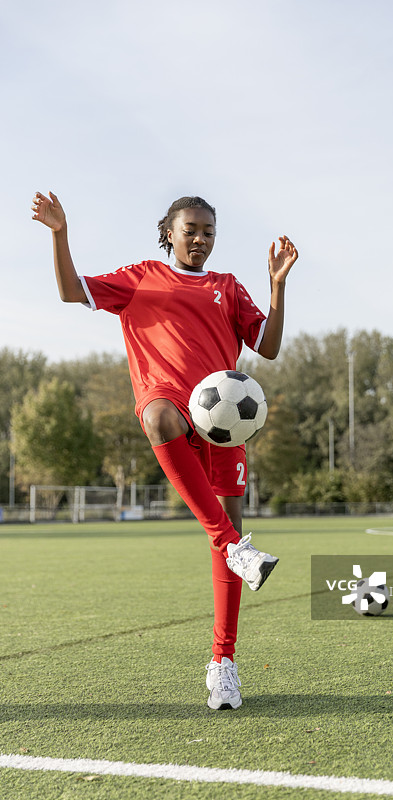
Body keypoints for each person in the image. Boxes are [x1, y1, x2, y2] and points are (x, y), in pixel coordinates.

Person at [31, 190, 298, 710]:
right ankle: (234, 544)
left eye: (209, 232)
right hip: (173, 405)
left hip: (224, 427)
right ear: (169, 232)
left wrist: (276, 287)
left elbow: (268, 346)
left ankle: (224, 664)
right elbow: (70, 291)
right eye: (191, 229)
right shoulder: (141, 279)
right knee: (157, 416)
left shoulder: (226, 287)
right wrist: (61, 235)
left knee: (227, 545)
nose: (200, 239)